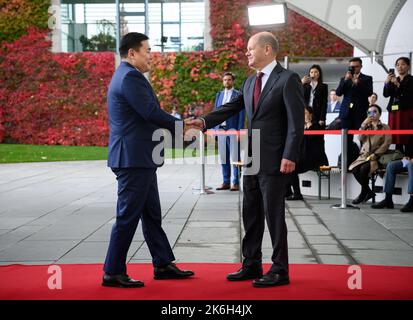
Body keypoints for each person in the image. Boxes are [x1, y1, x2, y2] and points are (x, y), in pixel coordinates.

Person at [186, 32, 304, 288]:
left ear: (268, 49)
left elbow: (297, 123)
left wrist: (289, 155)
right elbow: (230, 108)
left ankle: (280, 269)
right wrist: (204, 121)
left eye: (251, 49)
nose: (247, 53)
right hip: (252, 158)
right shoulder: (251, 82)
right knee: (250, 212)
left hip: (275, 159)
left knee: (274, 214)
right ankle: (251, 263)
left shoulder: (288, 79)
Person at [103, 32, 194, 288]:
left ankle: (163, 263)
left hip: (139, 158)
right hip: (133, 160)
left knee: (151, 213)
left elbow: (147, 114)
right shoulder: (130, 77)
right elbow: (150, 112)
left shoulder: (126, 76)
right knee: (127, 215)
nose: (151, 56)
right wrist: (182, 125)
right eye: (148, 51)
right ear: (132, 53)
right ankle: (112, 271)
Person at [349, 105, 392, 204]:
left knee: (364, 169)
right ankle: (367, 191)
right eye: (369, 112)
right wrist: (363, 125)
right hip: (364, 156)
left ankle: (364, 193)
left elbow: (387, 143)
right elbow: (359, 138)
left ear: (380, 114)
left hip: (377, 156)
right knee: (355, 169)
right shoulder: (367, 126)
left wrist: (376, 154)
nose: (371, 114)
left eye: (374, 111)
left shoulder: (385, 127)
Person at [286, 106, 329, 200]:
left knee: (292, 168)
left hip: (315, 158)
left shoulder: (316, 126)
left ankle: (297, 194)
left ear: (310, 115)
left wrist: (309, 125)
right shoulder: (301, 127)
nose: (303, 116)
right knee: (288, 166)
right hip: (304, 157)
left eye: (305, 113)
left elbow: (313, 141)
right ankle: (288, 192)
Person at [214, 72, 245, 191]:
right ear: (223, 82)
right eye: (225, 80)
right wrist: (215, 130)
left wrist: (239, 131)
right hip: (221, 130)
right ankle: (226, 181)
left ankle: (235, 182)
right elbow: (215, 112)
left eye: (229, 80)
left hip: (233, 130)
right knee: (223, 157)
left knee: (235, 157)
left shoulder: (238, 95)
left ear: (233, 81)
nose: (227, 82)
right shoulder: (219, 95)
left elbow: (242, 114)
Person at [383, 57, 413, 153]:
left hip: (406, 111)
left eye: (403, 64)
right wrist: (387, 83)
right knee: (395, 136)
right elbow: (386, 94)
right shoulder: (393, 79)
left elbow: (408, 95)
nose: (400, 67)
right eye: (398, 64)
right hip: (393, 111)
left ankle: (409, 157)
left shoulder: (411, 79)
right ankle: (398, 156)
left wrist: (398, 84)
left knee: (407, 136)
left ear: (408, 66)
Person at [336, 57, 373, 131]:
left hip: (360, 112)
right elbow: (338, 93)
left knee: (362, 137)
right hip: (346, 112)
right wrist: (346, 80)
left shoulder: (367, 78)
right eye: (352, 67)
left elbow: (369, 93)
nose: (354, 68)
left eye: (356, 66)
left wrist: (358, 83)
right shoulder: (344, 79)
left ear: (361, 66)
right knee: (346, 138)